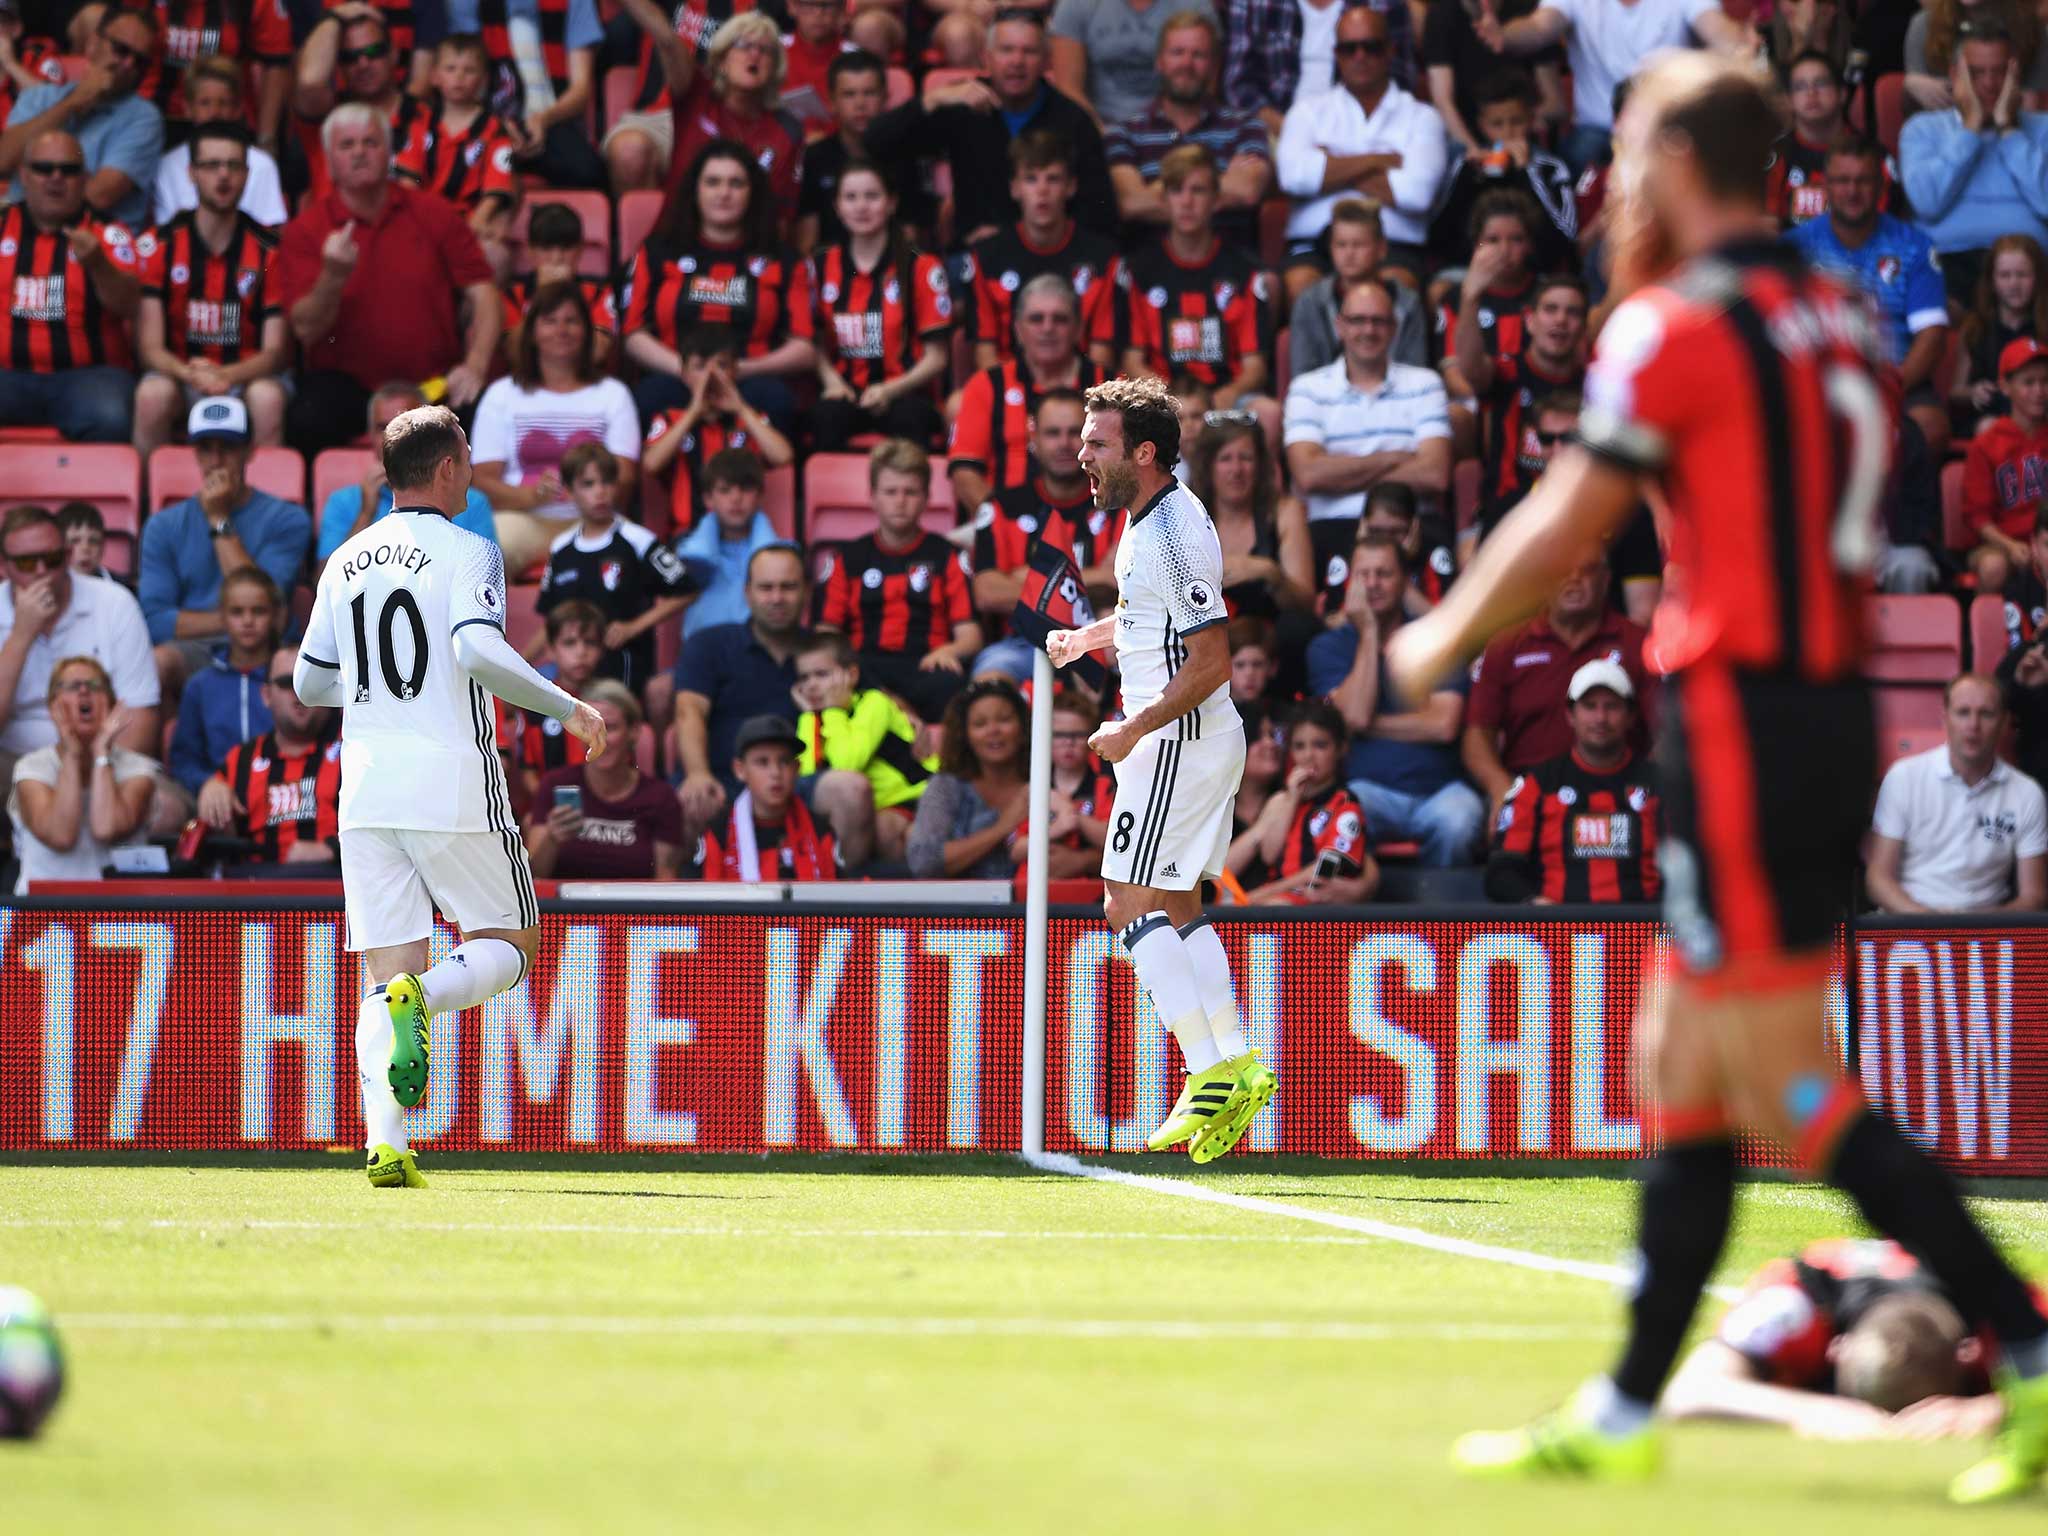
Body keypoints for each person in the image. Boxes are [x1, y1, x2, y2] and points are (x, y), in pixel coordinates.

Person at [1381, 53, 2048, 1497]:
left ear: (1678, 161)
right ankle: (1623, 1415)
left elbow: (1573, 516)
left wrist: (1434, 635)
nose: (1618, 176)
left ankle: (2030, 1354)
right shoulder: (1833, 309)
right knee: (1679, 1070)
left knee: (1788, 1083)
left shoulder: (1673, 321)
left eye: (1630, 149)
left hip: (1742, 718)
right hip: (1819, 713)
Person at [292, 403, 605, 1190]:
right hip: (452, 777)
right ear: (445, 470)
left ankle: (387, 1144)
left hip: (363, 786)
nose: (472, 467)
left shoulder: (344, 558)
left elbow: (308, 682)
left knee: (382, 966)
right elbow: (474, 646)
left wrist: (376, 690)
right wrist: (568, 707)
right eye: (467, 455)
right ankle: (422, 996)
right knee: (513, 942)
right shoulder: (472, 549)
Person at [1043, 376, 1268, 1166]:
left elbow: (1211, 660)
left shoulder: (1170, 530)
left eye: (1096, 442)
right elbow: (1152, 620)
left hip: (1177, 740)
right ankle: (1235, 1058)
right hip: (1193, 740)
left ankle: (1207, 1071)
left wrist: (1133, 729)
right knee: (1175, 901)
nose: (1081, 452)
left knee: (1121, 900)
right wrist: (1088, 638)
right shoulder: (1150, 522)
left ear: (1143, 452)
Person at [277, 101, 500, 459]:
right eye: (347, 146)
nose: (360, 154)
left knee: (483, 413)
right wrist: (333, 276)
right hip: (349, 391)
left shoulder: (435, 213)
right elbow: (306, 329)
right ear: (330, 162)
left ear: (389, 152)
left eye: (370, 143)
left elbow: (484, 293)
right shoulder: (305, 231)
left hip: (432, 386)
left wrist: (475, 365)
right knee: (306, 419)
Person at [1664, 1237, 2012, 1439]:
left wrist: (1987, 1408)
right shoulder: (1795, 1300)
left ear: (1969, 1354)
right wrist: (1812, 1411)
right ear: (1836, 1349)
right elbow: (1688, 1392)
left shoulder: (2000, 1307)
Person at [1307, 531, 1484, 865]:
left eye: (1384, 574)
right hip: (1369, 790)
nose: (1372, 584)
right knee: (1345, 811)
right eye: (1364, 575)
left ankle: (1441, 914)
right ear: (1350, 582)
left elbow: (1444, 725)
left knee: (1462, 819)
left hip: (1440, 790)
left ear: (1405, 581)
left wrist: (1371, 725)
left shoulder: (1436, 641)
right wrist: (1369, 633)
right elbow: (1355, 715)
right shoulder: (1328, 647)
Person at [621, 137, 816, 439]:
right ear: (695, 190)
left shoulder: (784, 260)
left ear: (753, 193)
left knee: (779, 401)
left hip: (751, 379)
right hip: (675, 376)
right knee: (645, 398)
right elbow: (633, 334)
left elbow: (804, 347)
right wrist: (689, 371)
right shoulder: (657, 252)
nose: (724, 193)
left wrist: (740, 370)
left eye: (736, 184)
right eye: (713, 182)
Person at [864, 11, 1116, 242]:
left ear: (1045, 62)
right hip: (973, 259)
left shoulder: (1072, 121)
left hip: (1051, 258)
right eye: (1006, 50)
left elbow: (1100, 215)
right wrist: (933, 99)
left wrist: (1018, 242)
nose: (1017, 61)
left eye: (1028, 51)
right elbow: (875, 142)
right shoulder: (962, 107)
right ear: (986, 58)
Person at [1284, 277, 1453, 607]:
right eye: (1357, 320)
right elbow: (1309, 475)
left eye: (1378, 321)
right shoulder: (1308, 388)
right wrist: (1394, 457)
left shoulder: (1426, 383)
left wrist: (1341, 469)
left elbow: (1435, 474)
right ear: (1340, 326)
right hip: (1335, 528)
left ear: (1394, 328)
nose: (1368, 330)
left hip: (1411, 526)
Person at [132, 121, 289, 460]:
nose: (223, 176)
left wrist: (225, 375)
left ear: (247, 174)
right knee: (151, 394)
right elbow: (149, 347)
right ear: (191, 173)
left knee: (268, 397)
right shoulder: (162, 244)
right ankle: (147, 504)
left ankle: (268, 509)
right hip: (182, 376)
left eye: (233, 165)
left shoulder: (270, 250)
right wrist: (190, 373)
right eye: (211, 165)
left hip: (246, 378)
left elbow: (275, 352)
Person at [138, 397, 311, 701]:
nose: (216, 461)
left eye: (227, 447)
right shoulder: (163, 526)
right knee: (156, 663)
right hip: (196, 647)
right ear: (195, 454)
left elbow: (263, 600)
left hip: (266, 648)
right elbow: (154, 620)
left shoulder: (287, 519)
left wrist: (219, 518)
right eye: (206, 448)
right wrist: (242, 619)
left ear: (249, 450)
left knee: (298, 665)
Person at [1790, 137, 1952, 456]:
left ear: (1880, 186)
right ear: (1826, 187)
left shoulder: (1915, 245)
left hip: (1897, 380)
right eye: (1842, 181)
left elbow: (1932, 336)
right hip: (1820, 384)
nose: (1852, 191)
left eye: (1863, 181)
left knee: (1931, 426)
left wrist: (1890, 389)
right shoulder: (1793, 249)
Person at [1275, 5, 1448, 299]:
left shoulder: (1422, 116)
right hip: (1313, 242)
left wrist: (1329, 166)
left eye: (1371, 47)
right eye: (1349, 48)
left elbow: (1416, 194)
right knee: (1302, 287)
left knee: (1397, 286)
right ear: (1336, 54)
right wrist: (1379, 161)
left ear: (1391, 51)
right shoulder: (1306, 112)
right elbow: (1294, 177)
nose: (1360, 57)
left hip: (1394, 244)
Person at [470, 281, 642, 573]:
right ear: (532, 332)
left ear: (587, 331)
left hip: (596, 519)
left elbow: (624, 478)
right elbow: (482, 481)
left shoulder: (614, 394)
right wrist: (531, 496)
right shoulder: (501, 394)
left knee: (636, 552)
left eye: (571, 321)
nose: (561, 330)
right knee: (483, 552)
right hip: (524, 519)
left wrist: (587, 497)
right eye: (550, 321)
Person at [813, 439, 982, 721]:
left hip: (925, 667)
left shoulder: (946, 555)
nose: (900, 501)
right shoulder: (848, 558)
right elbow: (825, 634)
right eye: (891, 492)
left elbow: (971, 636)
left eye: (910, 492)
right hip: (865, 669)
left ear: (927, 497)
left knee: (953, 685)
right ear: (872, 496)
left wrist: (949, 650)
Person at [1474, 0, 1748, 172]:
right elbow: (1539, 27)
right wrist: (1504, 36)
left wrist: (1740, 43)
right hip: (1598, 129)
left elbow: (1717, 28)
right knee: (1576, 158)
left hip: (1668, 126)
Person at [967, 387, 1123, 679]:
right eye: (1053, 433)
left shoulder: (1118, 504)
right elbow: (988, 592)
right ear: (1033, 438)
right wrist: (1093, 577)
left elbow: (1120, 581)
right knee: (989, 680)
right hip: (1022, 646)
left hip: (1101, 638)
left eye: (1074, 432)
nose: (1064, 444)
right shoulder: (1002, 507)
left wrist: (1024, 577)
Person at [1120, 145, 1274, 437]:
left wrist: (1229, 393)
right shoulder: (1139, 271)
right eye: (1177, 191)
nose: (1187, 202)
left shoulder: (1244, 271)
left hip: (1223, 398)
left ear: (1217, 200)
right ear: (1163, 200)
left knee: (1268, 412)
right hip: (1159, 398)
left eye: (1198, 191)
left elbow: (1255, 366)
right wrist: (1171, 400)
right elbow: (1132, 360)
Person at [0, 128, 142, 442]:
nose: (55, 178)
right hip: (7, 375)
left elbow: (130, 306)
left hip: (89, 377)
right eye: (43, 168)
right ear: (23, 175)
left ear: (84, 178)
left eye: (68, 170)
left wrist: (98, 264)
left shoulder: (109, 232)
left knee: (111, 415)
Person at [0, 505, 159, 785]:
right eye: (26, 563)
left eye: (52, 560)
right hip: (13, 763)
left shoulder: (114, 603)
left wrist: (98, 777)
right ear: (5, 566)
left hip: (101, 760)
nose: (41, 572)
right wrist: (21, 636)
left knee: (167, 811)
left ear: (68, 556)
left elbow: (140, 717)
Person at [1867, 673, 2048, 914]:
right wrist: (1934, 926)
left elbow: (2034, 896)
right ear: (1945, 719)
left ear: (2005, 722)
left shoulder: (2027, 793)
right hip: (1908, 928)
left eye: (1986, 714)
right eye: (1963, 712)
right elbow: (1878, 879)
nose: (1973, 725)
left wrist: (1970, 931)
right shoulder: (1904, 777)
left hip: (1989, 934)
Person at [1484, 657, 1661, 903]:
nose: (1600, 718)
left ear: (1631, 716)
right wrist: (1533, 904)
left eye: (1611, 706)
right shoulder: (1535, 785)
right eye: (1589, 706)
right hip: (1558, 934)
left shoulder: (1661, 784)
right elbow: (1502, 870)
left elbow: (1691, 865)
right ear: (1570, 715)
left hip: (1647, 934)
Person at [611, 5, 803, 224]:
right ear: (721, 62)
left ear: (775, 67)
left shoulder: (787, 131)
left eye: (765, 49)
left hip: (748, 245)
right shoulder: (696, 97)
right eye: (743, 45)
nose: (754, 54)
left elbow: (780, 219)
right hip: (679, 239)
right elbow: (668, 42)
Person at [810, 158, 952, 452]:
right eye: (850, 197)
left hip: (906, 394)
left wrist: (889, 390)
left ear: (891, 203)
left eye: (872, 196)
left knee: (910, 417)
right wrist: (832, 383)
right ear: (837, 206)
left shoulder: (921, 267)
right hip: (845, 393)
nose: (861, 206)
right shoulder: (819, 266)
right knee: (824, 417)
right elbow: (811, 343)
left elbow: (937, 358)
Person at [1102, 11, 1272, 253]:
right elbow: (1130, 203)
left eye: (1198, 55)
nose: (1186, 64)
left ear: (1214, 66)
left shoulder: (1246, 126)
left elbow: (1247, 191)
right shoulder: (1123, 133)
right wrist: (1213, 187)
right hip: (1148, 271)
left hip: (1231, 268)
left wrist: (1157, 191)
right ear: (1159, 61)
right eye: (1177, 53)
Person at [1899, 23, 2048, 297]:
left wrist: (2010, 130)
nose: (1990, 84)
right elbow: (1927, 204)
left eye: (2000, 72)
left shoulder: (2042, 129)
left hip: (2028, 269)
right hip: (1947, 263)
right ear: (1956, 75)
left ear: (2016, 74)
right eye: (1978, 73)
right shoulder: (1922, 129)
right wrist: (1971, 129)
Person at [948, 273, 1113, 514]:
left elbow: (1129, 470)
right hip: (1008, 528)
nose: (1048, 328)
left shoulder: (1108, 386)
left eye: (1060, 319)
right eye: (1036, 319)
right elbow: (965, 473)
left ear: (1078, 328)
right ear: (1017, 329)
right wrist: (1008, 529)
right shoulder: (985, 386)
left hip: (1098, 526)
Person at [531, 444, 688, 693]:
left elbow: (686, 589)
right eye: (589, 484)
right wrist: (519, 663)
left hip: (625, 663)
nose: (600, 492)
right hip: (571, 667)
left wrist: (633, 627)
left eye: (607, 483)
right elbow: (552, 616)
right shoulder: (561, 548)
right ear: (570, 492)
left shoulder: (637, 539)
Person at [673, 543, 808, 824]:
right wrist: (698, 773)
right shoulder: (709, 644)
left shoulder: (825, 651)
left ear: (806, 592)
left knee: (848, 791)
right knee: (690, 799)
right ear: (747, 593)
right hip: (722, 780)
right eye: (766, 587)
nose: (777, 597)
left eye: (788, 587)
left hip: (803, 783)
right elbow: (689, 712)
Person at [966, 132, 1120, 376]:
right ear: (1014, 188)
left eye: (1053, 179)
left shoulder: (1102, 257)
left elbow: (1101, 354)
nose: (1042, 190)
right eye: (1031, 179)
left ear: (1071, 187)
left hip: (1080, 390)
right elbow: (985, 354)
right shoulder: (986, 258)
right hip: (1009, 389)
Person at [0, 4, 164, 231]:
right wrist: (74, 102)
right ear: (93, 44)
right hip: (18, 240)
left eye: (139, 61)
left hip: (95, 244)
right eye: (121, 50)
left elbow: (98, 197)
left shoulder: (144, 117)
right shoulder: (39, 97)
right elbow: (2, 161)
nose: (128, 65)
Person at [7, 655, 158, 894]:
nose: (84, 691)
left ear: (111, 703)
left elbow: (105, 828)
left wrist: (100, 752)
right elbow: (61, 836)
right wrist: (72, 754)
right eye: (71, 686)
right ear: (52, 705)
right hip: (43, 916)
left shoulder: (138, 769)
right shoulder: (31, 768)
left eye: (95, 686)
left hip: (119, 918)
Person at [315, 382, 500, 568]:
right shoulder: (343, 502)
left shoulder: (472, 502)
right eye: (382, 428)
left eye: (405, 427)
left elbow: (490, 583)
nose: (392, 437)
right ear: (370, 436)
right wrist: (365, 514)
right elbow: (323, 583)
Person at [1455, 269, 1588, 520]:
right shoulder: (1506, 372)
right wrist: (1470, 298)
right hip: (1507, 516)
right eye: (1550, 309)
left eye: (1572, 312)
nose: (1561, 319)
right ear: (1529, 319)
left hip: (1578, 516)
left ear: (1583, 326)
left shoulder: (1597, 385)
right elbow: (1470, 369)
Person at [196, 645, 344, 866]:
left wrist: (331, 851)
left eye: (310, 684)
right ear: (266, 695)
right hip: (258, 892)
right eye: (287, 683)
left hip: (338, 886)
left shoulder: (355, 752)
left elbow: (385, 831)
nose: (299, 694)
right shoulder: (241, 760)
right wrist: (211, 790)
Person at [792, 631, 931, 864]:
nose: (812, 685)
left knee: (884, 829)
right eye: (804, 678)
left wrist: (833, 711)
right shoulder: (812, 719)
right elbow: (809, 777)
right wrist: (809, 717)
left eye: (822, 674)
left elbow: (847, 763)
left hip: (914, 797)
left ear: (852, 675)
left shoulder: (874, 703)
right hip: (869, 810)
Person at [524, 680, 685, 880]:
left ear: (634, 732)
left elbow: (665, 882)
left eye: (611, 727)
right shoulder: (555, 785)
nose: (599, 738)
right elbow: (533, 879)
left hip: (632, 909)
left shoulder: (660, 798)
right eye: (589, 726)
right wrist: (552, 838)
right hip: (567, 909)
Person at [641, 326, 795, 533]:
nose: (711, 377)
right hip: (689, 533)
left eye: (721, 366)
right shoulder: (671, 419)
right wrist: (693, 413)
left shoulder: (750, 419)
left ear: (735, 372)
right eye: (700, 367)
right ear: (684, 374)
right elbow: (651, 464)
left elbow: (783, 456)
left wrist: (741, 408)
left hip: (744, 533)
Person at [1426, 70, 1576, 276]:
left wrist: (1527, 172)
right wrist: (1471, 178)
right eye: (1497, 124)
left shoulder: (1551, 167)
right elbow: (1438, 236)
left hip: (1535, 274)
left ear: (1532, 120)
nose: (1507, 132)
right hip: (1468, 270)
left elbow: (1566, 235)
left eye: (1517, 122)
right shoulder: (1467, 165)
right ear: (1482, 125)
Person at [1230, 699, 1379, 904]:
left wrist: (1248, 900)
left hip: (1311, 908)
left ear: (1340, 749)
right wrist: (1291, 799)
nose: (1309, 755)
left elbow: (1319, 874)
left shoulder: (1344, 804)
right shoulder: (1286, 798)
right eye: (1299, 746)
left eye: (1320, 745)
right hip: (1275, 901)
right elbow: (1268, 854)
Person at [389, 34, 518, 266]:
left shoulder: (495, 129)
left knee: (496, 256)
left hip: (471, 224)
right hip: (423, 220)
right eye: (450, 69)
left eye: (469, 71)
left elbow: (493, 194)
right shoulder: (420, 122)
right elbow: (408, 182)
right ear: (435, 77)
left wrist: (471, 227)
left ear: (483, 80)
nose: (459, 77)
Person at [452, 0, 605, 192]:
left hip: (551, 118)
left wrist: (543, 119)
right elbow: (460, 79)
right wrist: (495, 125)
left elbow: (580, 90)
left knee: (588, 172)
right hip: (488, 120)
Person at [906, 675, 1042, 877]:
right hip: (962, 906)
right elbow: (924, 861)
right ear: (965, 734)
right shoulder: (946, 786)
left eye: (1004, 720)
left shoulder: (1045, 781)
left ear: (1023, 727)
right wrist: (1002, 828)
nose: (993, 731)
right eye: (980, 724)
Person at [797, 51, 929, 254]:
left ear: (885, 98)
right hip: (830, 271)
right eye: (849, 94)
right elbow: (807, 242)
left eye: (869, 93)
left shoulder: (902, 155)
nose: (860, 104)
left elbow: (909, 236)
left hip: (889, 270)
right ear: (832, 102)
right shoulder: (815, 156)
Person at [1183, 416, 1315, 618]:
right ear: (1208, 467)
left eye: (1246, 458)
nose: (1236, 470)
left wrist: (1270, 573)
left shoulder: (1285, 512)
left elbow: (1305, 605)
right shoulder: (1187, 516)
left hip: (1271, 634)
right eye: (1225, 459)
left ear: (1260, 466)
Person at [167, 566, 280, 796]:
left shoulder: (289, 680)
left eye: (258, 611)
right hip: (219, 795)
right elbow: (184, 760)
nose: (248, 621)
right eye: (237, 612)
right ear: (222, 617)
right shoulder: (200, 686)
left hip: (283, 791)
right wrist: (208, 783)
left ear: (275, 616)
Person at [1288, 197, 1427, 381]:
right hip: (1325, 404)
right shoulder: (1310, 301)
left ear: (1382, 248)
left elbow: (1416, 373)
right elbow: (1303, 377)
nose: (1349, 253)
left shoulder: (1407, 302)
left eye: (1359, 245)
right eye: (1341, 244)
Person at [151, 55, 288, 226]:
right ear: (187, 108)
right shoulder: (168, 165)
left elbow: (271, 234)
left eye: (223, 103)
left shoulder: (262, 165)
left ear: (238, 109)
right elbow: (166, 234)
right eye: (205, 103)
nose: (214, 112)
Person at [288, 4, 406, 199]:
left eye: (374, 51)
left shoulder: (427, 117)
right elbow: (309, 81)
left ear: (393, 53)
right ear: (338, 65)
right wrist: (334, 17)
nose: (363, 64)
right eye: (349, 57)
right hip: (332, 227)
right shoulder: (326, 117)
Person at [703, 713, 839, 880]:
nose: (775, 773)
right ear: (740, 770)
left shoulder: (820, 830)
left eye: (784, 761)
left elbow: (836, 898)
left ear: (797, 768)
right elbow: (705, 901)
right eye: (762, 762)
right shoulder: (719, 832)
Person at [1961, 338, 2048, 591]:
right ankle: (1989, 631)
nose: (2039, 391)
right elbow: (1978, 518)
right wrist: (2010, 546)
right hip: (2003, 544)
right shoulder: (1986, 443)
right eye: (2028, 383)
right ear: (2005, 386)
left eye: (2045, 381)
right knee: (1993, 567)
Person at [1766, 51, 1888, 229]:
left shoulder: (1874, 156)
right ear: (1790, 100)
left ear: (1842, 94)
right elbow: (1765, 228)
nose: (1811, 93)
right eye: (1800, 86)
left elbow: (1884, 229)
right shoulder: (1775, 156)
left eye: (1821, 84)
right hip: (1790, 254)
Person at [1048, 0, 1218, 128]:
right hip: (1098, 128)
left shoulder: (1196, 5)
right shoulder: (1077, 4)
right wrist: (1105, 137)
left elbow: (1206, 81)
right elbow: (1068, 89)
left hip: (1174, 128)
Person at [672, 448, 783, 639]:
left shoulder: (783, 556)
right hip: (703, 660)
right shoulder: (686, 552)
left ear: (760, 496)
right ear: (708, 499)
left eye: (746, 489)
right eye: (725, 490)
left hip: (760, 660)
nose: (736, 498)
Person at [506, 598, 604, 810]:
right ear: (550, 650)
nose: (581, 652)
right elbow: (529, 775)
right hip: (549, 808)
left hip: (603, 807)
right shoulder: (535, 704)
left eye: (590, 643)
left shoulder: (610, 703)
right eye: (570, 643)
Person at [500, 200, 617, 371]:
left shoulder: (599, 294)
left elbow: (597, 353)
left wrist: (566, 292)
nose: (556, 258)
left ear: (580, 250)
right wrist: (543, 295)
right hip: (528, 387)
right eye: (546, 249)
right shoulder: (510, 295)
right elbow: (516, 355)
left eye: (566, 248)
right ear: (530, 251)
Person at [1954, 235, 2047, 437]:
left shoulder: (2044, 325)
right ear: (1992, 281)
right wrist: (1973, 392)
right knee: (1990, 428)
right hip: (1992, 418)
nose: (2014, 284)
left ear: (2037, 278)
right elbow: (1956, 391)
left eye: (2022, 275)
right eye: (2005, 275)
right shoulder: (1975, 327)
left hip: (2041, 418)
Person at [57, 504, 108, 580]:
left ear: (103, 547)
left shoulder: (123, 587)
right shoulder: (46, 587)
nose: (85, 548)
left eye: (93, 541)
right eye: (75, 541)